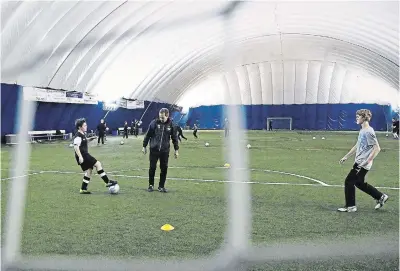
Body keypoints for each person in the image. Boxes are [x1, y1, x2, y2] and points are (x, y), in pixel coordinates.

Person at [338, 109, 388, 212]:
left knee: (349, 181)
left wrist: (368, 160)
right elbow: (357, 145)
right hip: (359, 162)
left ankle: (351, 206)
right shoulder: (362, 131)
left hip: (362, 164)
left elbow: (377, 148)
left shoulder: (369, 131)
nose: (356, 118)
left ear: (364, 118)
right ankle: (381, 197)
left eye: (358, 116)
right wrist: (346, 156)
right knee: (359, 183)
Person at [73, 118, 117, 194]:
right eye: (85, 125)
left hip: (83, 155)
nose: (86, 126)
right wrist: (80, 156)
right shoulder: (78, 135)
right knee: (98, 164)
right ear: (80, 127)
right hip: (83, 155)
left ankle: (83, 189)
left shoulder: (82, 134)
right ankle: (107, 182)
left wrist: (91, 138)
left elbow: (84, 141)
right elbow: (76, 146)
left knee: (89, 170)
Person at [142, 108, 179, 192]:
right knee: (152, 167)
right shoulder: (154, 123)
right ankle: (151, 185)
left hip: (165, 151)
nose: (161, 119)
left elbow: (174, 138)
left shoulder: (172, 125)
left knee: (164, 168)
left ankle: (161, 186)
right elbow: (148, 135)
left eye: (162, 117)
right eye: (160, 117)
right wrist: (144, 146)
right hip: (154, 149)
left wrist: (176, 150)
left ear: (167, 116)